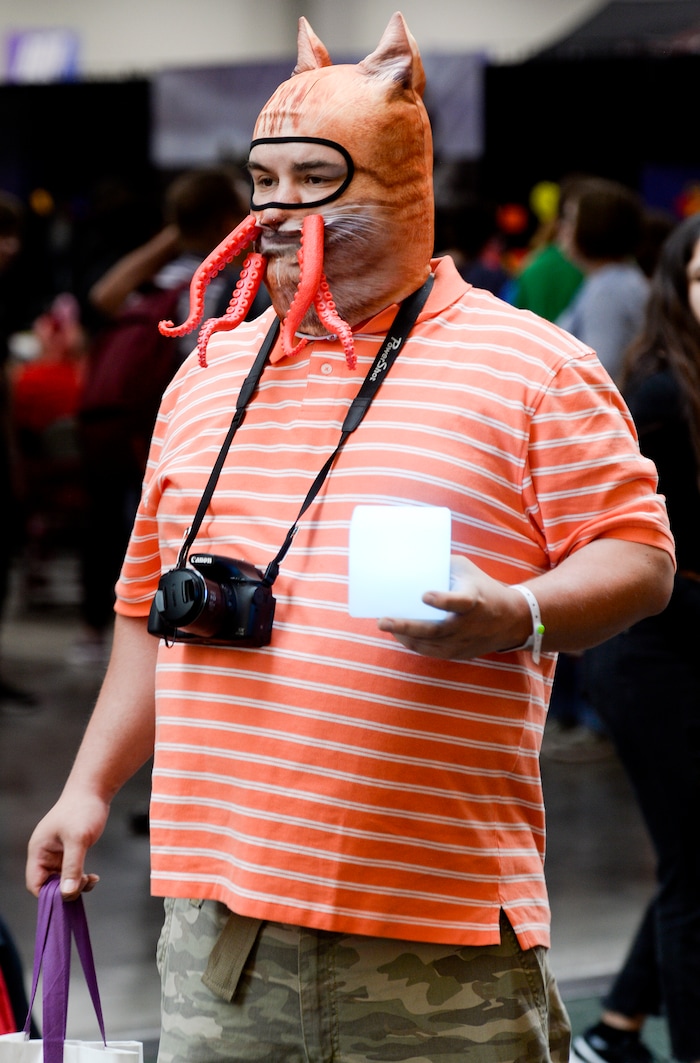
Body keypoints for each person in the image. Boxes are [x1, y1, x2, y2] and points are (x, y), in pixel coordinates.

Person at [25, 14, 674, 1063]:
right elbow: (150, 609)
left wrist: (518, 612)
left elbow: (639, 558)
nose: (278, 210)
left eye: (312, 178)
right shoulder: (205, 375)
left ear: (398, 180)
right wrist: (89, 786)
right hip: (218, 930)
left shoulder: (532, 368)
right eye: (261, 179)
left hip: (441, 933)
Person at [573, 212, 700, 1063]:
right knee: (696, 871)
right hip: (653, 650)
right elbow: (641, 560)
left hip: (683, 644)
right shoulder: (659, 389)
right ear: (677, 287)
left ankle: (617, 1025)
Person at [72, 167, 270, 666]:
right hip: (202, 423)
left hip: (135, 421)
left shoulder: (160, 277)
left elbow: (102, 297)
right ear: (231, 217)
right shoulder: (245, 277)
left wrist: (173, 235)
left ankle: (109, 629)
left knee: (120, 524)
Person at [557, 177, 649, 384]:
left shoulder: (609, 289)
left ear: (595, 226)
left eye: (571, 219)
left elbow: (601, 371)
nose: (562, 228)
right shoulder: (611, 280)